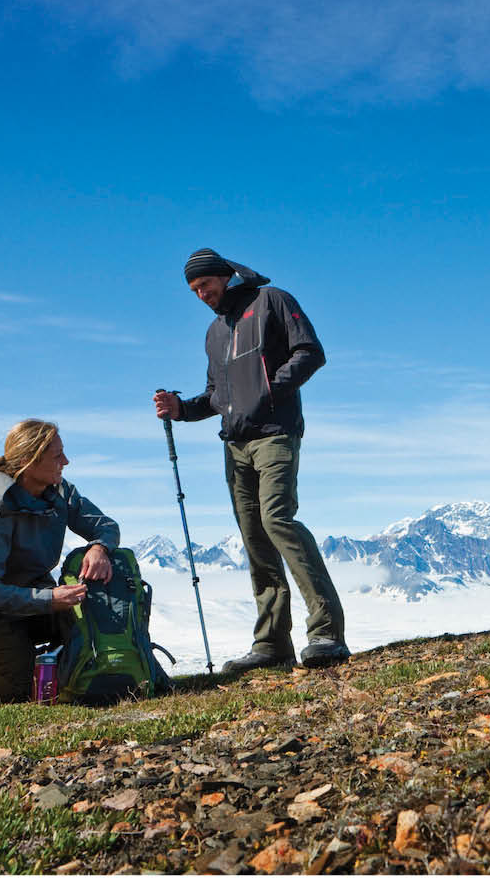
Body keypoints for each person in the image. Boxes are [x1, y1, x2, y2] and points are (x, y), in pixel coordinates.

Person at [153, 248, 349, 673]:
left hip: (276, 433)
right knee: (254, 537)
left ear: (224, 276)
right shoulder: (214, 332)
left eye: (204, 285)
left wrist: (266, 393)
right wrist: (181, 409)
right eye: (194, 291)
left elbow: (310, 353)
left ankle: (327, 633)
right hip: (234, 445)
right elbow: (216, 398)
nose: (201, 295)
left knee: (278, 520)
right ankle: (272, 644)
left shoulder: (272, 300)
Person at [0, 419, 116, 709]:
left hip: (35, 601)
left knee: (83, 644)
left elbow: (105, 526)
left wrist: (99, 548)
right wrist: (48, 600)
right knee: (18, 688)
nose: (66, 461)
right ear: (28, 461)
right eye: (57, 455)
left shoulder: (60, 492)